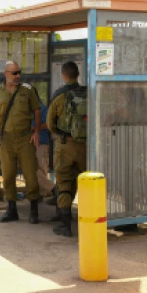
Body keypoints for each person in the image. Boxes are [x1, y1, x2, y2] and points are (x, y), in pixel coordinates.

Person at [0, 61, 43, 224]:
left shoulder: (28, 90)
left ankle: (34, 210)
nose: (18, 76)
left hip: (25, 138)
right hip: (6, 139)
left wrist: (36, 131)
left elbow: (37, 110)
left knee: (30, 175)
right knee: (8, 175)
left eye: (19, 72)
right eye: (14, 73)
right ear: (6, 74)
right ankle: (12, 209)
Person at [47, 62, 87, 236]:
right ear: (78, 74)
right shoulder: (87, 93)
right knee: (84, 180)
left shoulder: (59, 96)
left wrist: (59, 134)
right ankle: (88, 219)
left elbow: (50, 123)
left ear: (64, 76)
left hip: (65, 145)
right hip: (85, 146)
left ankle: (65, 224)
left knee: (64, 181)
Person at [35, 103, 57, 205]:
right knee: (36, 170)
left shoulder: (43, 109)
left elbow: (47, 124)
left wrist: (34, 129)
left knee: (40, 170)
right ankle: (42, 192)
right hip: (30, 144)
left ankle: (53, 189)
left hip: (41, 143)